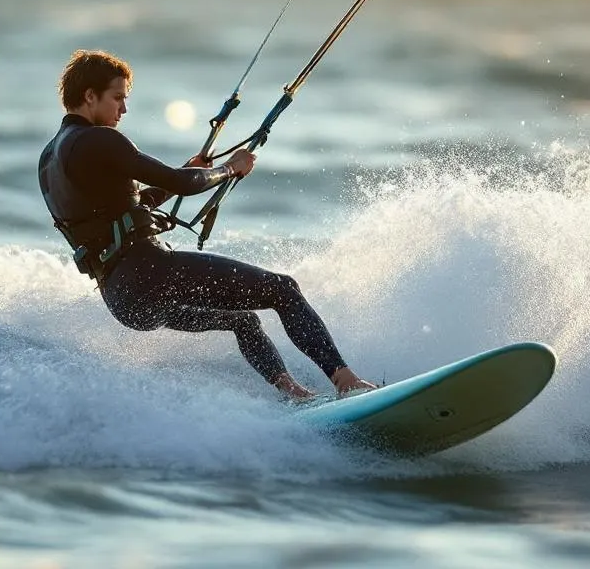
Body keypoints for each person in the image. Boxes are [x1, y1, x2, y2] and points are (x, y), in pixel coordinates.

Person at [38, 49, 377, 400]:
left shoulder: (49, 159)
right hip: (150, 272)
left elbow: (128, 208)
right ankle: (345, 381)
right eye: (117, 98)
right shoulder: (97, 138)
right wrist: (230, 168)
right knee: (283, 289)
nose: (123, 109)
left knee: (242, 320)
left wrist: (188, 168)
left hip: (124, 301)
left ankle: (294, 393)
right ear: (90, 96)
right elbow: (183, 183)